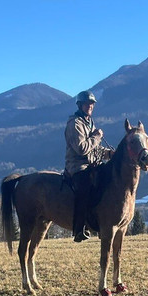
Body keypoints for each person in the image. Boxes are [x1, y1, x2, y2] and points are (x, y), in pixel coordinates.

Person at [65, 90, 106, 241]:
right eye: (87, 104)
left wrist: (109, 154)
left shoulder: (89, 122)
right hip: (78, 166)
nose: (90, 106)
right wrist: (96, 137)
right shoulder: (75, 124)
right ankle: (79, 229)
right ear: (80, 105)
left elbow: (95, 148)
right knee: (85, 187)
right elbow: (82, 148)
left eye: (92, 104)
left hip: (91, 164)